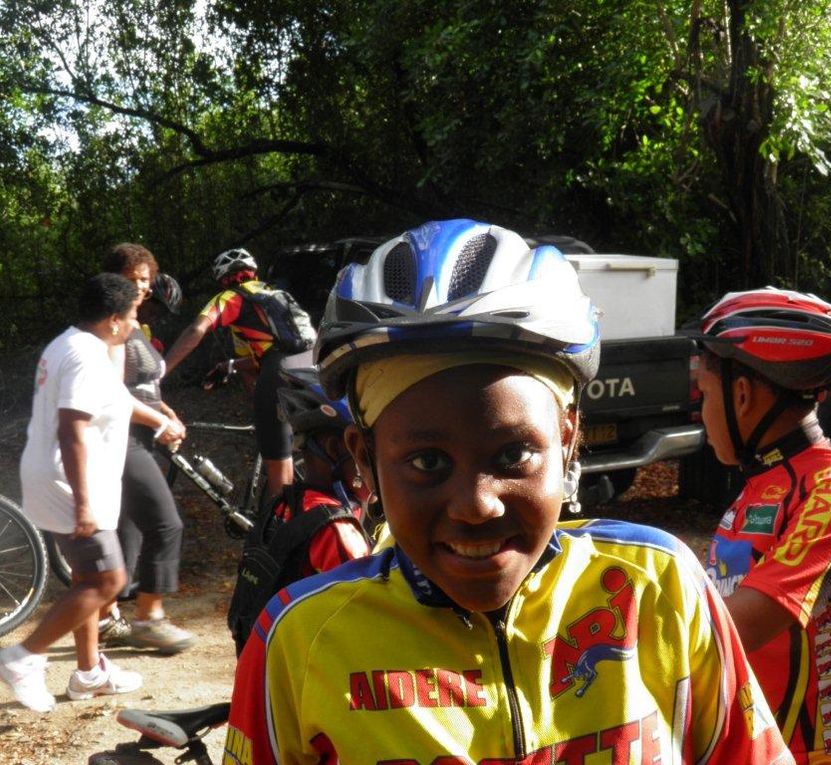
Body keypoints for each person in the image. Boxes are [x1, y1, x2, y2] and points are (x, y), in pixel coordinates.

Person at [222, 219, 792, 765]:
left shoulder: (657, 585)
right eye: (426, 461)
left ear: (568, 441)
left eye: (514, 455)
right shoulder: (298, 642)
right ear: (365, 461)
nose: (476, 505)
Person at [690, 287, 831, 764]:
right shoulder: (761, 485)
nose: (701, 414)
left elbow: (737, 627)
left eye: (705, 395)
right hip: (769, 747)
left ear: (741, 396)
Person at [0, 273, 183, 713]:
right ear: (114, 319)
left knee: (86, 578)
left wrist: (161, 421)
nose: (137, 322)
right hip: (70, 482)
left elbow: (115, 399)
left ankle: (89, 673)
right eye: (133, 314)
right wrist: (82, 502)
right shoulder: (84, 355)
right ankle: (22, 658)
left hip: (63, 477)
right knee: (108, 580)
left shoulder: (74, 345)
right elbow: (72, 426)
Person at [226, 363, 373, 655]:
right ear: (335, 449)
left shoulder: (284, 507)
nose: (374, 465)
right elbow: (367, 619)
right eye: (366, 453)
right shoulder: (334, 529)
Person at [98, 243, 196, 654]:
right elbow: (111, 393)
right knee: (165, 524)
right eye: (131, 279)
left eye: (144, 280)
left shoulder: (136, 325)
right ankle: (149, 619)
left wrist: (167, 411)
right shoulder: (113, 326)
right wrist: (161, 421)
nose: (140, 287)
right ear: (113, 280)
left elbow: (146, 386)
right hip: (120, 440)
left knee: (128, 534)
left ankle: (103, 620)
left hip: (141, 436)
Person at [163, 248, 298, 500]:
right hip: (309, 367)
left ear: (224, 278)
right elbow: (262, 356)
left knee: (280, 474)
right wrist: (231, 366)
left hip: (279, 371)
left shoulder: (231, 298)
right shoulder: (277, 295)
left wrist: (160, 370)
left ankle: (283, 529)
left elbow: (196, 329)